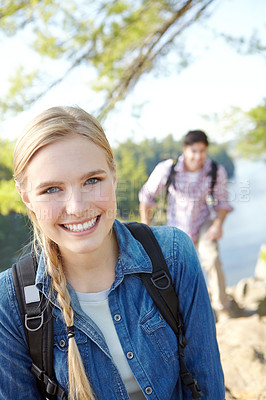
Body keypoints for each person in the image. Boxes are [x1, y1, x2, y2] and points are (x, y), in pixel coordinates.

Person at [0, 108, 224, 400]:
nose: (77, 207)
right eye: (52, 189)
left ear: (114, 174)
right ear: (26, 196)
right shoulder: (10, 303)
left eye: (92, 180)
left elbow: (206, 387)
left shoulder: (174, 255)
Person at [139, 130, 234, 320]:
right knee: (181, 273)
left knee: (212, 258)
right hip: (176, 226)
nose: (198, 156)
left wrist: (218, 224)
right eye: (194, 151)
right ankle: (191, 312)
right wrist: (145, 228)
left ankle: (222, 306)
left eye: (202, 151)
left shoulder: (215, 170)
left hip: (203, 222)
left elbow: (222, 203)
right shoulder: (168, 169)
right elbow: (147, 197)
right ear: (185, 149)